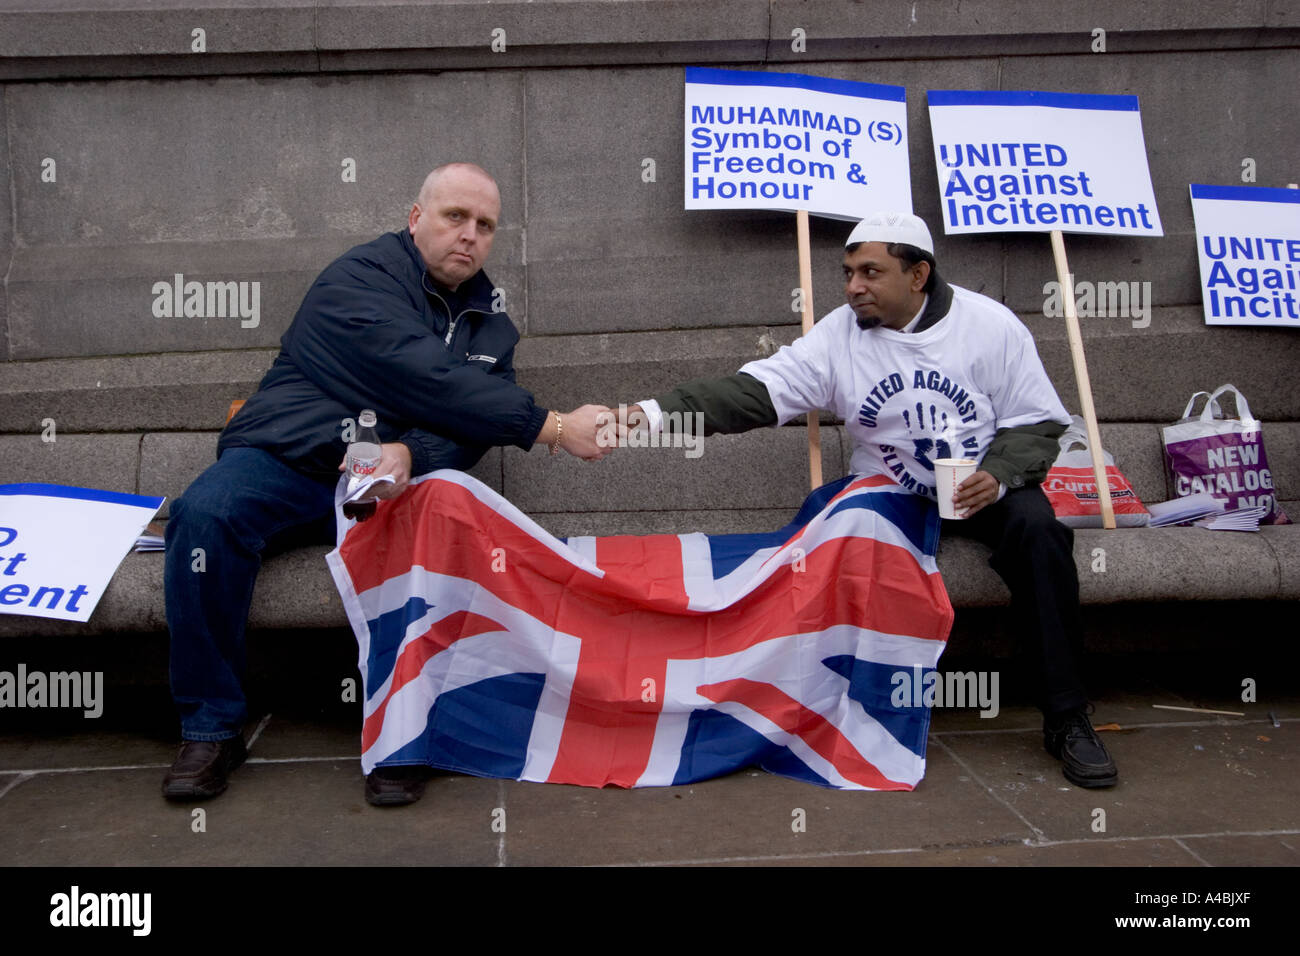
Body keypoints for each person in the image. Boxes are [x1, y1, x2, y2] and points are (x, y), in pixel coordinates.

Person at [162, 163, 613, 807]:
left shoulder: (492, 326)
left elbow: (471, 425)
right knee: (205, 514)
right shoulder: (358, 278)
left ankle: (406, 731)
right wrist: (553, 425)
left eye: (485, 226)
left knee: (437, 522)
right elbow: (428, 379)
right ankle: (210, 726)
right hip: (291, 460)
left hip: (387, 482)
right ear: (415, 218)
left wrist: (410, 449)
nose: (469, 236)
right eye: (454, 216)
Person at [617, 211, 1117, 789]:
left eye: (870, 272)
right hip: (891, 489)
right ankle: (814, 707)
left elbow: (1037, 422)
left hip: (979, 484)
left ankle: (1067, 716)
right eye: (849, 272)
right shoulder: (839, 335)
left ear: (918, 275)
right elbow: (752, 392)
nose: (853, 286)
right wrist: (647, 416)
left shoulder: (991, 327)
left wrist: (1000, 474)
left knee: (1040, 531)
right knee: (836, 533)